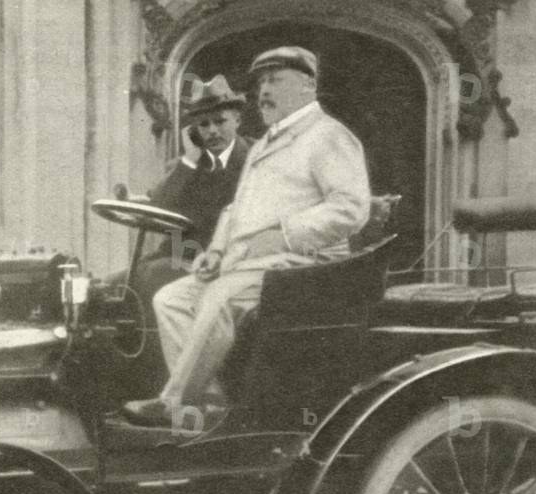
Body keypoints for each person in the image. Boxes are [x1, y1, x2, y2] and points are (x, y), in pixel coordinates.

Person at [122, 46, 371, 427]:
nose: (264, 91)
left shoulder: (328, 136)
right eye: (261, 83)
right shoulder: (267, 144)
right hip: (250, 264)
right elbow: (234, 210)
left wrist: (284, 235)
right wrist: (217, 250)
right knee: (170, 298)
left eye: (276, 80)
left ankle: (173, 402)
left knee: (218, 297)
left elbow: (351, 209)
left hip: (306, 266)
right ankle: (209, 405)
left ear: (308, 86)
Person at [133, 75, 252, 302]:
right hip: (177, 257)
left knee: (149, 277)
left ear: (237, 120)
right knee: (111, 286)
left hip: (224, 263)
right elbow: (156, 210)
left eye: (220, 121)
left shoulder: (256, 159)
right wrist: (189, 160)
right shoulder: (185, 166)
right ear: (194, 130)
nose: (213, 131)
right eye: (204, 124)